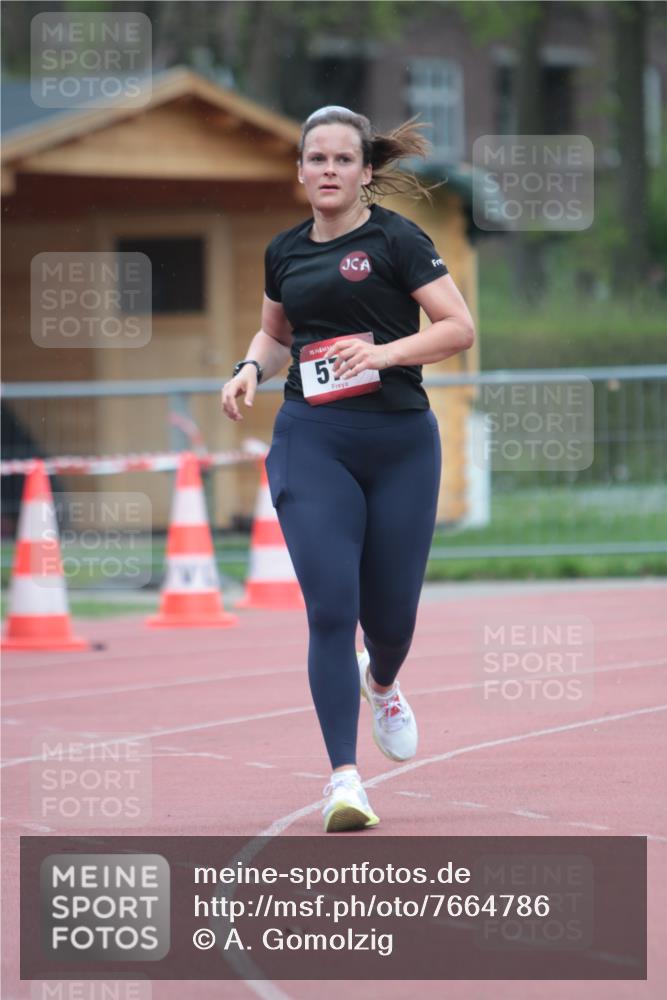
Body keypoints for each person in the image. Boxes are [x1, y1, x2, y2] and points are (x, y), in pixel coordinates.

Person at [221, 105, 475, 833]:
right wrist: (249, 368)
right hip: (313, 438)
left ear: (365, 172)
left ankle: (382, 682)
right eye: (317, 159)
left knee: (390, 619)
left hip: (399, 443)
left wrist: (384, 354)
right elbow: (275, 336)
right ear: (300, 170)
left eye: (342, 159)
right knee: (331, 609)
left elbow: (458, 328)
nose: (328, 170)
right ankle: (344, 780)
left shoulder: (398, 240)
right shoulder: (284, 251)